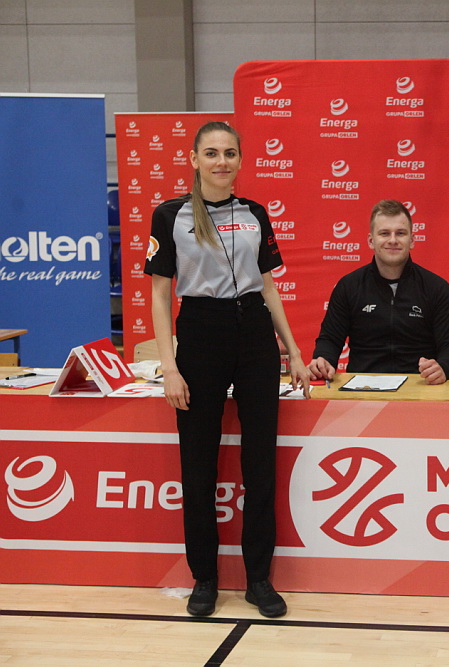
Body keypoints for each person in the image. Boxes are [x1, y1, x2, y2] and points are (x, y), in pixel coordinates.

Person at [145, 121, 311, 619]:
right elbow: (159, 296)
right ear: (194, 159)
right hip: (200, 333)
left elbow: (268, 287)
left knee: (260, 465)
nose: (222, 162)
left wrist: (293, 350)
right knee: (198, 466)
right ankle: (205, 578)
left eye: (230, 153)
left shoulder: (255, 213)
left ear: (240, 160)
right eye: (212, 153)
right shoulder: (170, 215)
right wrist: (170, 367)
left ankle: (259, 578)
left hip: (254, 335)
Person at [308, 199, 449, 385]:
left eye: (400, 233)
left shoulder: (436, 288)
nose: (393, 240)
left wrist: (443, 367)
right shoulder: (348, 286)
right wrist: (323, 360)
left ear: (412, 240)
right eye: (384, 233)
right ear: (371, 241)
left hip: (420, 387)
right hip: (362, 389)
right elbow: (330, 340)